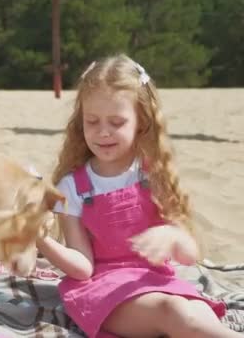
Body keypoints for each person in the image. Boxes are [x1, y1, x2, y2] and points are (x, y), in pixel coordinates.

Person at [36, 54, 236, 338]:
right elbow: (82, 267)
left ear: (141, 121)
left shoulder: (152, 174)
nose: (102, 132)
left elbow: (190, 256)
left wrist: (173, 235)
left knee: (195, 319)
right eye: (92, 121)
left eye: (116, 122)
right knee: (177, 315)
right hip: (105, 292)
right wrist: (40, 239)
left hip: (159, 283)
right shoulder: (73, 186)